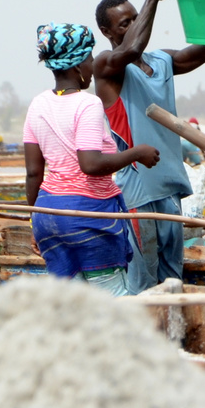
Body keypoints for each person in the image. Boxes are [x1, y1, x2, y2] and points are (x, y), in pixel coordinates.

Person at [92, 0, 205, 293]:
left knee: (172, 282)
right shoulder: (106, 67)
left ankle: (172, 342)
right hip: (138, 195)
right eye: (125, 23)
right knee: (144, 288)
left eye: (136, 18)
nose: (135, 26)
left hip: (169, 190)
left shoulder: (161, 61)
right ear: (108, 33)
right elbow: (133, 48)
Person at [22, 24, 157, 295]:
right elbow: (91, 164)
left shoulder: (38, 104)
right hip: (87, 214)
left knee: (71, 305)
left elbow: (33, 174)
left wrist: (35, 221)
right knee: (113, 301)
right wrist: (137, 153)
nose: (92, 64)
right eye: (89, 59)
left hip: (49, 215)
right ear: (76, 68)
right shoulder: (87, 104)